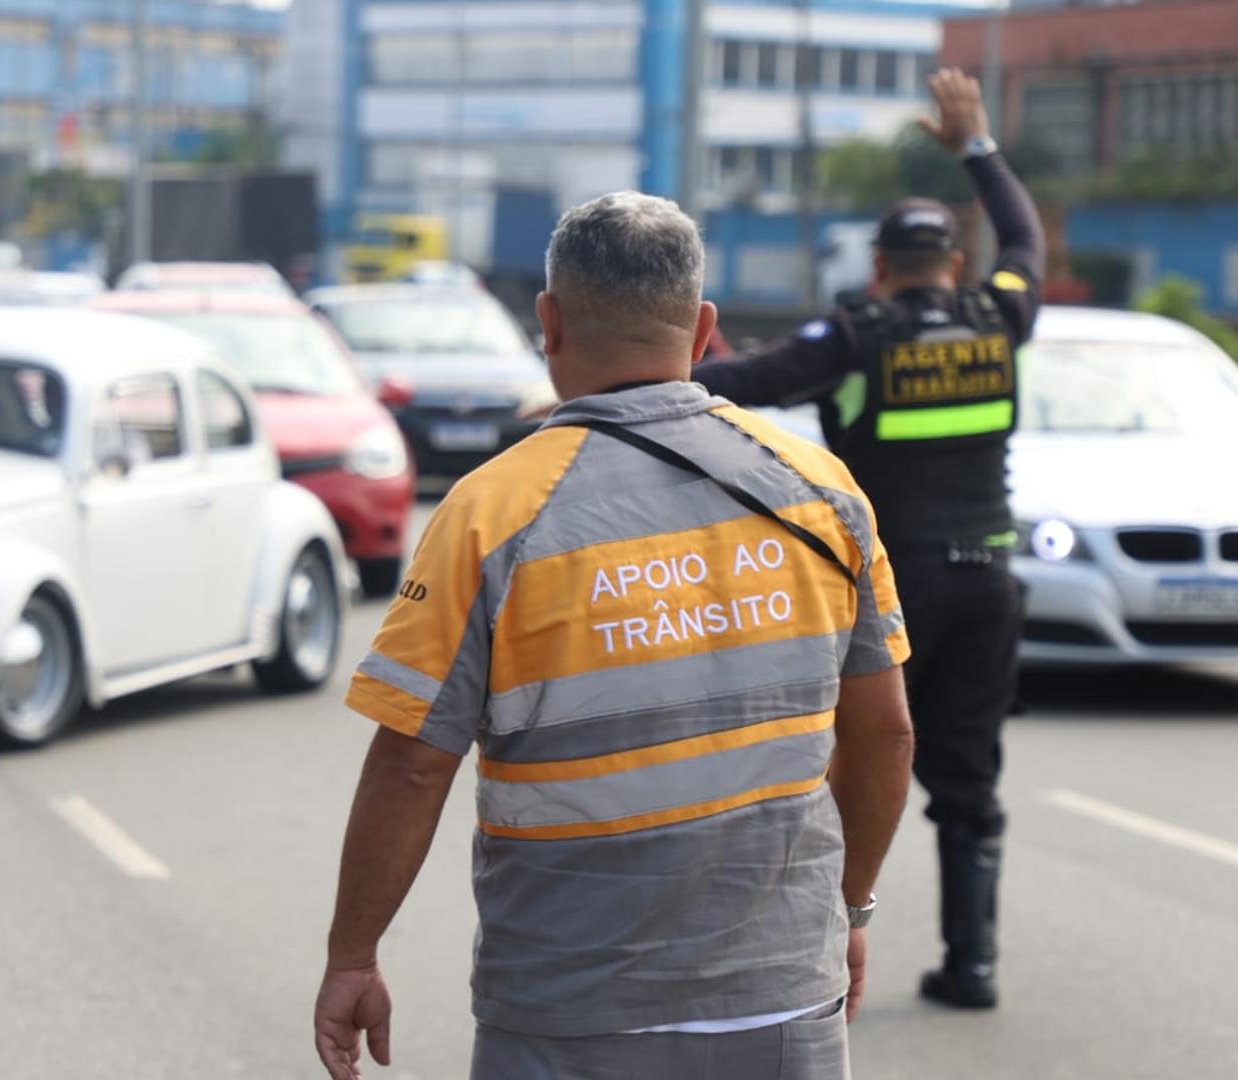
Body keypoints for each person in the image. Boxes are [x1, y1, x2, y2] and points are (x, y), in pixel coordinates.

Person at [314, 191, 917, 1080]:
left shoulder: (491, 513)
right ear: (704, 329)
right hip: (785, 995)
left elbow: (414, 764)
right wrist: (849, 911)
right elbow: (884, 733)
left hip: (568, 1012)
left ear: (548, 322)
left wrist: (353, 956)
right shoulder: (819, 489)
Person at [695, 68, 1044, 1011]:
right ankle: (972, 967)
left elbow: (747, 382)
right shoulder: (1001, 314)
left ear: (882, 266)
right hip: (990, 582)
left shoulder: (858, 334)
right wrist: (978, 143)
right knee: (967, 782)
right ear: (955, 263)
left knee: (850, 765)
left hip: (894, 593)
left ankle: (820, 956)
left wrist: (688, 342)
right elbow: (1025, 237)